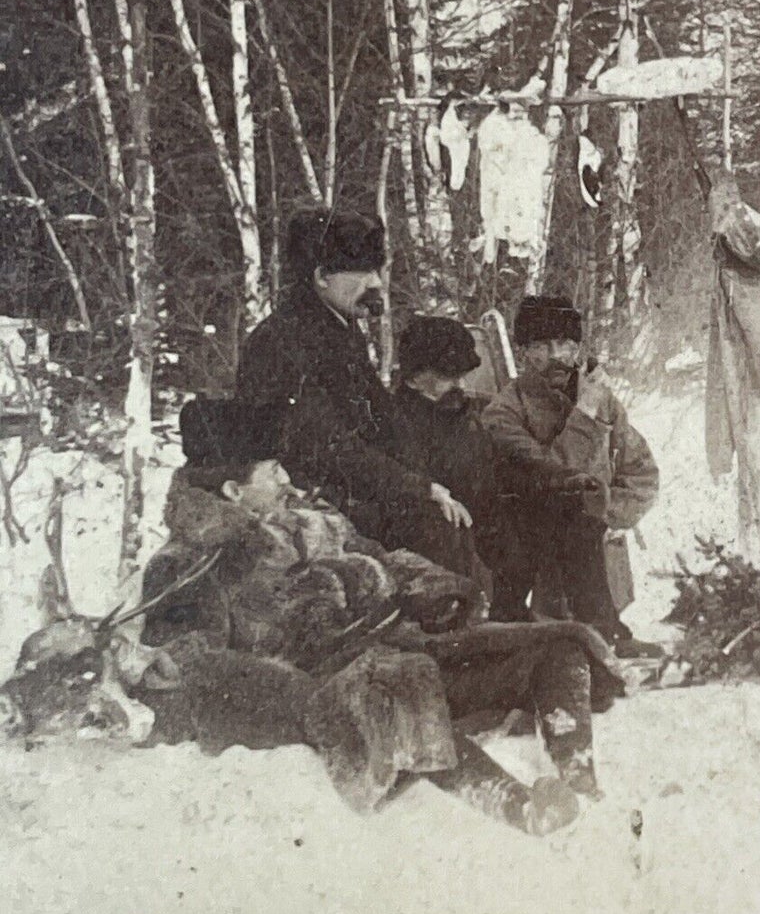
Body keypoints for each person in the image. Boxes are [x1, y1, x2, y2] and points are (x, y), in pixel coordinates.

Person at [138, 396, 625, 825]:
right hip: (337, 687)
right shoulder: (191, 565)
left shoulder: (313, 519)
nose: (287, 480)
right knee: (405, 686)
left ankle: (580, 785)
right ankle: (519, 808)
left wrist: (438, 587)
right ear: (231, 491)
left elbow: (384, 557)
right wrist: (299, 697)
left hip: (406, 643)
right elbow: (192, 666)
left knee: (557, 644)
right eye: (271, 471)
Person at [234, 208, 474, 571]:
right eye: (363, 272)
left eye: (375, 270)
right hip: (304, 496)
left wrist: (428, 478)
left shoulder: (339, 328)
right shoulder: (280, 342)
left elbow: (383, 415)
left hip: (351, 483)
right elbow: (324, 444)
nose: (376, 283)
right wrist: (417, 487)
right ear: (321, 277)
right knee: (435, 526)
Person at [482, 294, 662, 658]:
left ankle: (606, 631)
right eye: (542, 346)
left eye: (566, 344)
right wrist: (584, 415)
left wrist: (607, 511)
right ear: (524, 353)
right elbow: (549, 472)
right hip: (537, 558)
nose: (557, 356)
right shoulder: (504, 411)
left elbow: (643, 474)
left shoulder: (602, 400)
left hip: (597, 566)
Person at [391, 316, 532, 620]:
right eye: (448, 377)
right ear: (414, 378)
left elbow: (492, 462)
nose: (461, 385)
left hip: (485, 518)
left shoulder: (461, 411)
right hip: (442, 532)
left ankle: (512, 618)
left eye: (463, 375)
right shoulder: (397, 423)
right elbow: (408, 483)